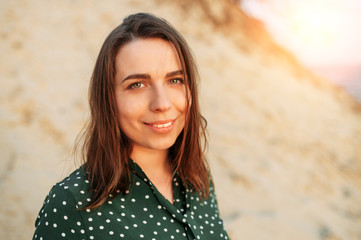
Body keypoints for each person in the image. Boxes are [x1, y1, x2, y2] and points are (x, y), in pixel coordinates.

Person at [32, 13, 230, 240]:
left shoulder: (197, 176)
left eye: (174, 80)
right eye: (137, 84)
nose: (162, 104)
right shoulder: (72, 205)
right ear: (108, 98)